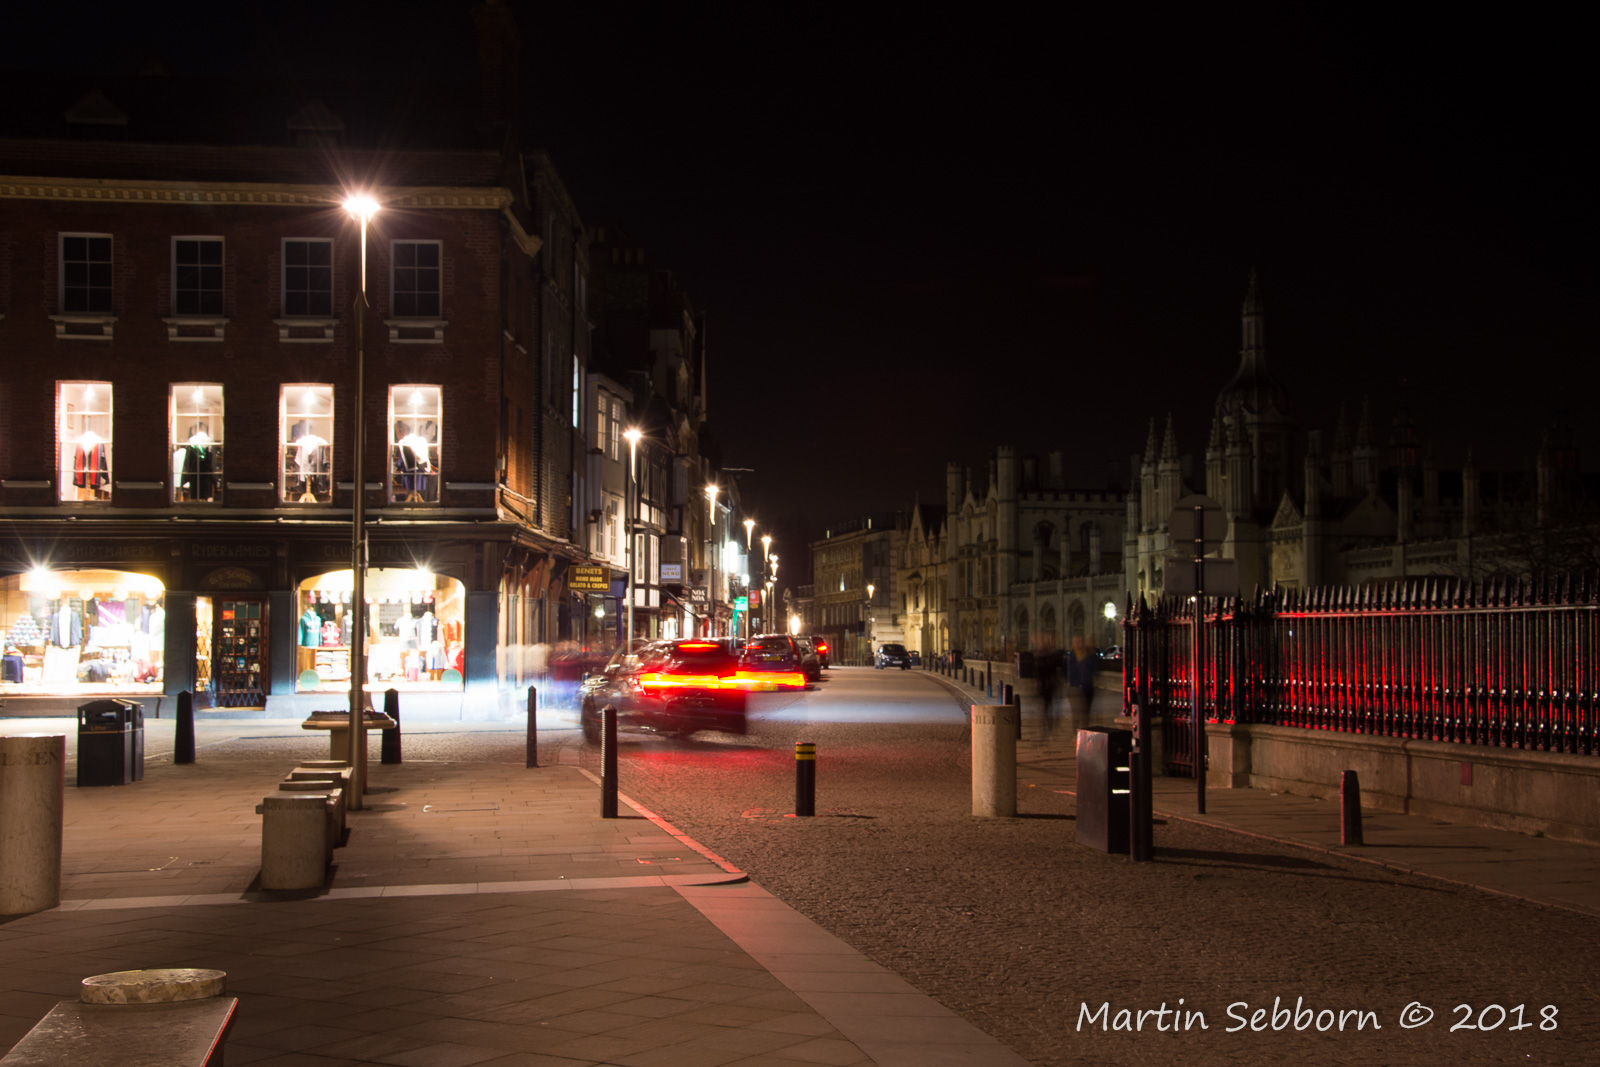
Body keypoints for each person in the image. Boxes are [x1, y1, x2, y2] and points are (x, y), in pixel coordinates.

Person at [1064, 634, 1099, 732]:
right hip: (1074, 688)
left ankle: (1084, 732)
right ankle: (1075, 731)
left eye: (1080, 642)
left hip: (1087, 687)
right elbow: (1064, 672)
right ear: (1073, 644)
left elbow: (1095, 669)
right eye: (1076, 642)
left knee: (1086, 713)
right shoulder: (1069, 657)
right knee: (1076, 712)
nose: (1078, 644)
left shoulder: (1089, 656)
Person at [1033, 634, 1063, 738]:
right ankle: (1048, 723)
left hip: (1047, 684)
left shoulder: (1042, 657)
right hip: (1048, 684)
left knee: (1047, 705)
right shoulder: (1048, 657)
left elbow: (1038, 672)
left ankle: (1047, 723)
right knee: (1048, 705)